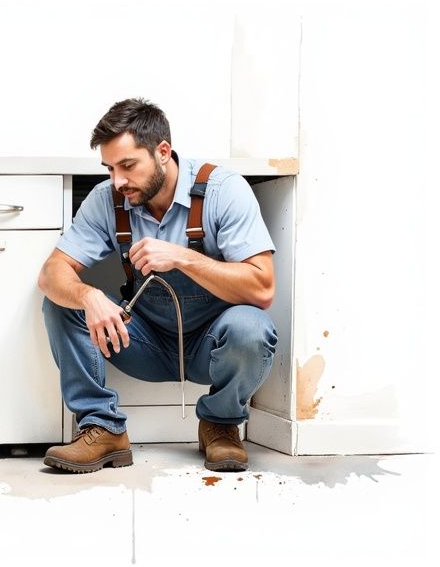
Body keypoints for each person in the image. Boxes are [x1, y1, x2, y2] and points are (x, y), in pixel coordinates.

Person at [38, 98, 277, 473]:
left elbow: (262, 288)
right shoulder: (109, 200)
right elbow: (52, 272)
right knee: (61, 303)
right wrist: (90, 296)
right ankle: (103, 428)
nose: (117, 181)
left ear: (162, 151)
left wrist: (183, 257)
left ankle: (220, 424)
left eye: (128, 166)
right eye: (110, 168)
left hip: (210, 346)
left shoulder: (224, 191)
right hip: (143, 341)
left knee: (252, 327)